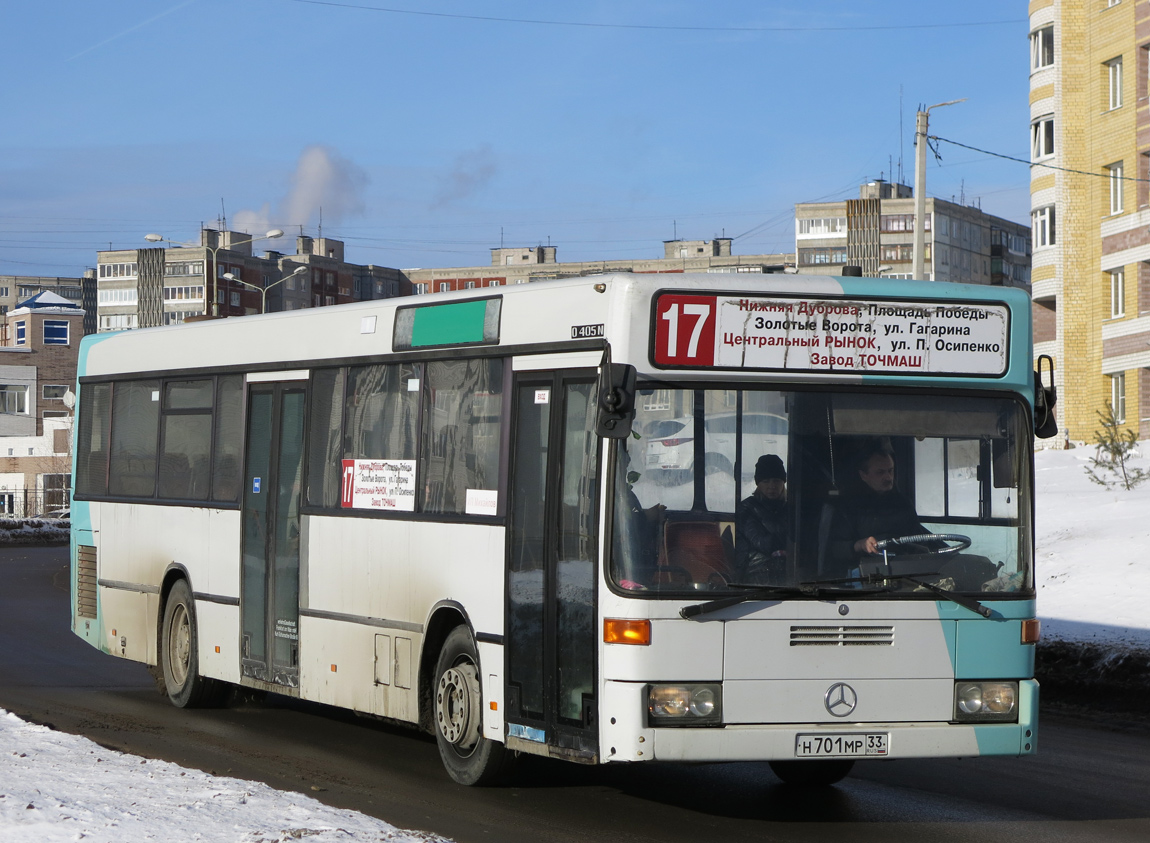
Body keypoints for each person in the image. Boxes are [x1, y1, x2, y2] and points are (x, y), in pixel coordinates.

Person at [827, 445, 940, 575]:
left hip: (904, 571)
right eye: (880, 472)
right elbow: (834, 549)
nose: (888, 477)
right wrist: (860, 544)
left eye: (890, 471)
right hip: (862, 575)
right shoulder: (849, 507)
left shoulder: (903, 503)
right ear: (864, 475)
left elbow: (918, 540)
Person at [735, 454, 789, 582]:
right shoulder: (747, 508)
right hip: (754, 575)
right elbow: (763, 543)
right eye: (766, 481)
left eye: (776, 480)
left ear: (783, 482)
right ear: (758, 483)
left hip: (788, 576)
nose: (772, 486)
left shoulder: (790, 508)